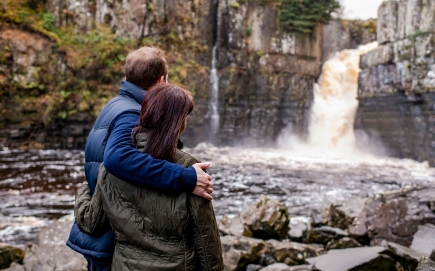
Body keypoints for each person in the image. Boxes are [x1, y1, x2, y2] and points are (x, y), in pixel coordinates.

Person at [66, 47, 214, 270]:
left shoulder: (114, 105)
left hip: (110, 222)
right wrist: (186, 177)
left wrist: (87, 189)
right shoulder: (132, 114)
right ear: (161, 80)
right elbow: (116, 159)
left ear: (127, 76)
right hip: (113, 232)